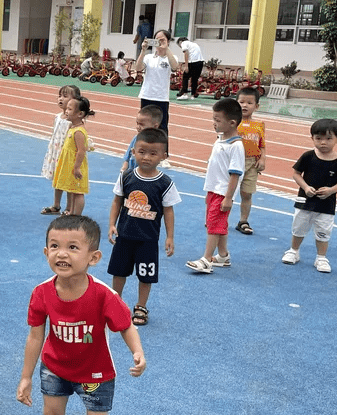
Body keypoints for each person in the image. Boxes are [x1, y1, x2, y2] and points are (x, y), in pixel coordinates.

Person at [16, 214, 146, 415]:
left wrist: (137, 351)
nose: (62, 253)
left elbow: (125, 325)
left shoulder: (103, 294)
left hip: (94, 372)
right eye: (55, 246)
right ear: (45, 252)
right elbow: (35, 335)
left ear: (93, 257)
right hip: (55, 367)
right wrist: (26, 376)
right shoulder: (42, 292)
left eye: (73, 247)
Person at [106, 128, 180, 327]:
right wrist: (112, 224)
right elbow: (116, 202)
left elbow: (169, 211)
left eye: (153, 153)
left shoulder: (164, 183)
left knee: (146, 275)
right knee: (119, 271)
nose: (146, 157)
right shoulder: (126, 177)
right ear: (133, 152)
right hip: (124, 236)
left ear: (163, 156)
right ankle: (116, 302)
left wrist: (170, 236)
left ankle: (141, 306)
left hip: (148, 240)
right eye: (142, 152)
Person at [282, 119, 337, 273]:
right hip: (304, 200)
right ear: (312, 138)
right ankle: (294, 251)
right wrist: (306, 187)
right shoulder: (308, 156)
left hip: (326, 204)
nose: (323, 143)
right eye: (318, 138)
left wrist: (331, 190)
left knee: (323, 231)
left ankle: (321, 257)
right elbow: (296, 174)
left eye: (328, 139)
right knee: (299, 227)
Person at [185, 98, 245, 273]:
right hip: (214, 190)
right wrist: (209, 191)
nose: (214, 123)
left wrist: (228, 197)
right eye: (214, 119)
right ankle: (223, 255)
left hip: (222, 192)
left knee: (213, 225)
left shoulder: (236, 146)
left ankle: (206, 259)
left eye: (218, 121)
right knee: (218, 225)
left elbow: (235, 175)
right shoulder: (220, 139)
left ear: (232, 123)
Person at [41, 85, 81, 214]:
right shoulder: (58, 117)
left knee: (68, 181)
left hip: (67, 154)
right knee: (58, 179)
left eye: (65, 96)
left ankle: (69, 208)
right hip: (56, 152)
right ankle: (56, 205)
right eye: (60, 96)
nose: (61, 99)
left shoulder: (74, 121)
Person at [52, 96, 94, 217]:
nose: (66, 111)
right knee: (73, 190)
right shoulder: (72, 127)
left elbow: (81, 151)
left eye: (70, 109)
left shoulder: (79, 131)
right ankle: (72, 213)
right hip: (69, 164)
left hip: (75, 165)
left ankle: (76, 215)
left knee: (78, 192)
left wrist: (76, 167)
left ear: (80, 114)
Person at [133, 29, 181, 133]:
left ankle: (163, 149)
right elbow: (138, 68)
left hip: (161, 98)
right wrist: (143, 50)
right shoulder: (148, 57)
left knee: (162, 127)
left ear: (168, 41)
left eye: (162, 40)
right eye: (157, 40)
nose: (159, 42)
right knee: (145, 125)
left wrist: (166, 49)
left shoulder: (172, 57)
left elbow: (175, 67)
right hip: (147, 96)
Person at [235, 86, 267, 235]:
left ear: (256, 106)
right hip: (234, 162)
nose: (244, 105)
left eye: (249, 103)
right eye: (241, 102)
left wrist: (262, 159)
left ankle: (243, 221)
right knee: (224, 191)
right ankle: (215, 218)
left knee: (247, 193)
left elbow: (262, 145)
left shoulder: (259, 125)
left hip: (251, 163)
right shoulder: (232, 123)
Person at [118, 105, 164, 176]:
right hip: (131, 174)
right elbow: (128, 155)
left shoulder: (156, 144)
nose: (138, 127)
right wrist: (124, 167)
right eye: (137, 123)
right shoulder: (136, 138)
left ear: (155, 126)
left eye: (142, 124)